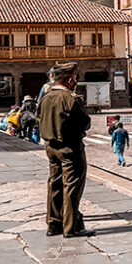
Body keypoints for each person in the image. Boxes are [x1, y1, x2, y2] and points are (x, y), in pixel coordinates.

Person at [37, 62, 93, 238]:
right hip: (70, 148)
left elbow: (39, 118)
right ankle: (72, 226)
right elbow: (84, 122)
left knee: (54, 184)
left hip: (50, 147)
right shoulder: (71, 99)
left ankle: (53, 224)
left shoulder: (45, 97)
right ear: (70, 80)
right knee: (72, 186)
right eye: (75, 77)